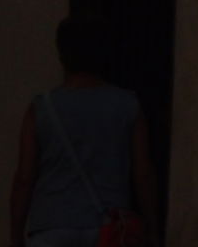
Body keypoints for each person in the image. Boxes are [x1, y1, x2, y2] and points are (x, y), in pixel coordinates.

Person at [12, 22, 155, 247]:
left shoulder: (41, 108)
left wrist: (15, 235)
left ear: (62, 56)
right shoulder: (128, 105)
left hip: (50, 225)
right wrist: (151, 227)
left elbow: (24, 177)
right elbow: (143, 175)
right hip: (108, 228)